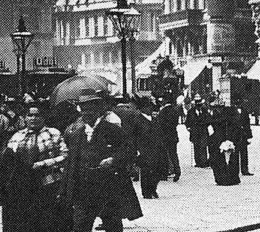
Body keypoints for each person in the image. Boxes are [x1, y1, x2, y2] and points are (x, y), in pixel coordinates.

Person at [60, 89, 142, 232]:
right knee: (80, 226)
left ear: (98, 110)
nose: (87, 113)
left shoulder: (112, 130)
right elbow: (71, 163)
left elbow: (128, 150)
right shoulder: (76, 135)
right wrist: (65, 190)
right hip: (83, 189)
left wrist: (113, 160)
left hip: (108, 187)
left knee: (112, 225)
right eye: (84, 109)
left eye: (91, 109)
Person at [0, 103, 68, 232]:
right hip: (24, 187)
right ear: (25, 117)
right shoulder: (17, 136)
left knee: (47, 222)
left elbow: (65, 156)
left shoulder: (53, 133)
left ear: (44, 117)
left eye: (37, 115)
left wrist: (44, 163)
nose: (33, 118)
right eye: (30, 115)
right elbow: (8, 161)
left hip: (48, 183)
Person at [133, 96, 166, 199]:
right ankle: (146, 191)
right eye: (148, 106)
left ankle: (153, 188)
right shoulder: (137, 120)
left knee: (157, 170)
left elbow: (160, 133)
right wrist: (136, 150)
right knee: (146, 171)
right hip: (144, 150)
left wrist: (161, 144)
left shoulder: (154, 119)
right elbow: (133, 137)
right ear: (142, 108)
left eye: (151, 106)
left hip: (156, 149)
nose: (150, 109)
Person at [156, 96, 181, 182]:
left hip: (164, 136)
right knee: (173, 154)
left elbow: (160, 124)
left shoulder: (162, 112)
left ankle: (164, 173)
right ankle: (177, 170)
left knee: (164, 155)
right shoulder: (175, 111)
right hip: (173, 135)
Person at [185, 95, 210, 167]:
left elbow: (208, 119)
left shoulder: (205, 111)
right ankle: (198, 162)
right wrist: (188, 128)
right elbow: (187, 122)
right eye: (197, 103)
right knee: (196, 147)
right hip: (195, 132)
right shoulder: (190, 112)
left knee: (203, 146)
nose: (198, 105)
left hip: (203, 131)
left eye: (199, 103)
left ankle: (204, 162)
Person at [231, 98, 253, 176]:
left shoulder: (244, 111)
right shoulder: (231, 111)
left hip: (243, 135)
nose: (238, 104)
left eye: (239, 102)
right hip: (235, 135)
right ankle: (235, 170)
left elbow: (247, 123)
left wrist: (249, 135)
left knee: (244, 153)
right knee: (235, 153)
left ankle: (245, 169)